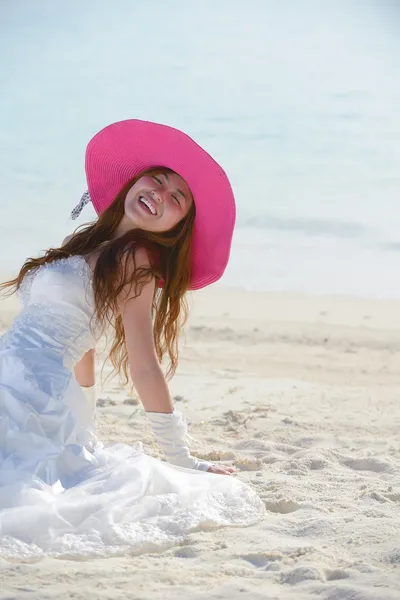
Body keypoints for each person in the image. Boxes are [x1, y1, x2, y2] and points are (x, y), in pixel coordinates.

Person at [0, 120, 264, 558]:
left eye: (176, 198)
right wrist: (80, 419)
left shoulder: (137, 260)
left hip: (29, 390)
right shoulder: (88, 243)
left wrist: (180, 456)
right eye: (156, 180)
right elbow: (83, 342)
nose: (159, 194)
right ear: (133, 182)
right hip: (16, 373)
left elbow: (144, 362)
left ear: (179, 226)